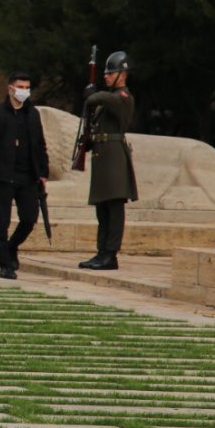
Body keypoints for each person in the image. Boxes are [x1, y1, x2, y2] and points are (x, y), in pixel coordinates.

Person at [0, 72, 49, 279]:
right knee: (1, 222)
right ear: (10, 88)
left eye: (27, 87)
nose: (24, 91)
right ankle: (5, 265)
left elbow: (40, 144)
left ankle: (11, 246)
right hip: (2, 176)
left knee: (29, 218)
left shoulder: (33, 114)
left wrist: (43, 172)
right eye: (20, 87)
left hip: (27, 176)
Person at [78, 51, 138, 271]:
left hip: (114, 157)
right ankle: (102, 252)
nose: (106, 76)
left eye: (110, 72)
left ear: (122, 75)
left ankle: (110, 254)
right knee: (102, 208)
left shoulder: (122, 97)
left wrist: (93, 94)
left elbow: (98, 99)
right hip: (103, 156)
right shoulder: (110, 99)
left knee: (113, 207)